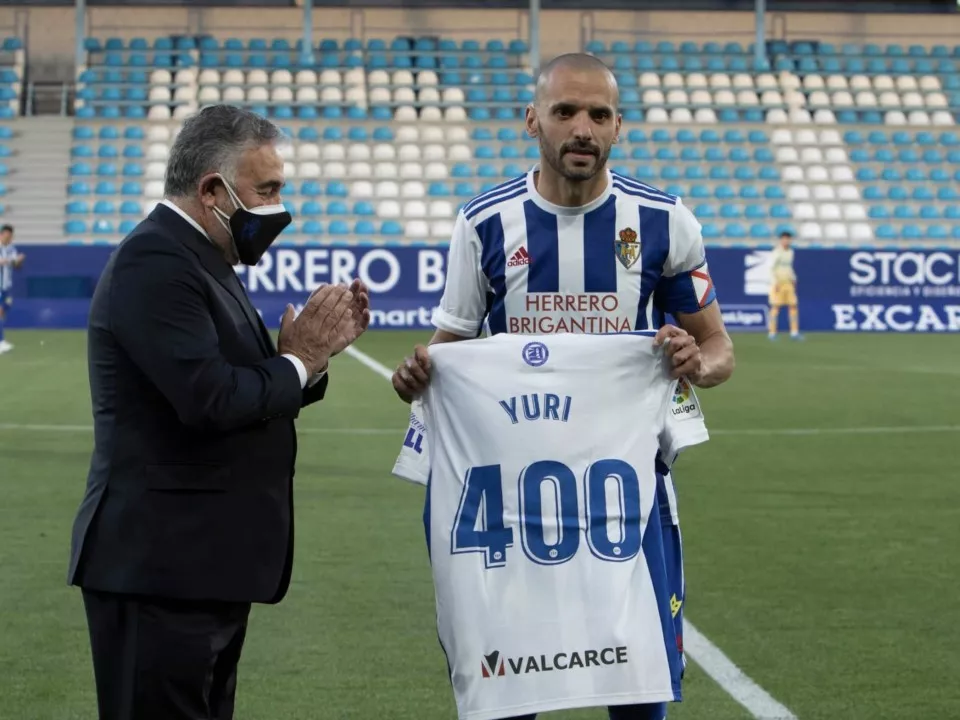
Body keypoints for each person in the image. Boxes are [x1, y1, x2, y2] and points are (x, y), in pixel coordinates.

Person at [391, 53, 734, 720]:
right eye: (565, 111)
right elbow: (451, 350)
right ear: (532, 120)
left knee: (638, 685)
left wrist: (697, 361)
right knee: (511, 682)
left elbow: (719, 348)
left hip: (627, 489)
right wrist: (419, 376)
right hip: (513, 502)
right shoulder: (485, 224)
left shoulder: (664, 222)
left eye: (599, 115)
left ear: (618, 127)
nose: (583, 128)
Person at [67, 105, 371, 720]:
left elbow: (241, 386)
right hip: (161, 570)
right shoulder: (157, 261)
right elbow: (210, 398)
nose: (278, 208)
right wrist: (298, 362)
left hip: (200, 569)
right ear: (212, 190)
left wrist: (306, 363)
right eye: (267, 190)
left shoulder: (199, 260)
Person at [767, 230, 801, 340]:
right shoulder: (776, 252)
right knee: (775, 307)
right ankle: (772, 333)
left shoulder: (790, 252)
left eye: (788, 239)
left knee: (793, 306)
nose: (786, 241)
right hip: (778, 284)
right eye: (784, 239)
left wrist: (793, 278)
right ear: (781, 240)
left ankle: (794, 332)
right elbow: (771, 268)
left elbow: (788, 267)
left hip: (788, 283)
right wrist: (774, 282)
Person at [0, 223, 24, 354]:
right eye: (8, 236)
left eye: (11, 236)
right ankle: (1, 341)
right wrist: (12, 260)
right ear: (2, 234)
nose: (9, 238)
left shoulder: (11, 248)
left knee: (5, 309)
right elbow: (2, 261)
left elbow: (16, 266)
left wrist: (19, 261)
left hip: (6, 286)